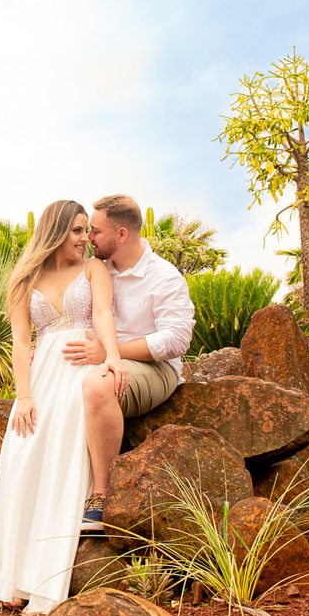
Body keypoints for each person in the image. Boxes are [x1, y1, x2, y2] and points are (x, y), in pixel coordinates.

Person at [0, 200, 128, 614]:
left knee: (63, 460)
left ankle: (41, 577)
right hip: (41, 377)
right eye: (77, 231)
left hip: (80, 372)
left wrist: (112, 356)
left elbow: (102, 314)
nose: (86, 239)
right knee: (25, 458)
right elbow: (22, 343)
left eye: (87, 231)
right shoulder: (23, 279)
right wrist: (23, 396)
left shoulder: (94, 269)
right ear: (56, 232)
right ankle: (15, 576)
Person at [62, 194, 195, 532]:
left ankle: (101, 496)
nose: (88, 238)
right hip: (102, 357)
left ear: (121, 235)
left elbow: (176, 340)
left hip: (155, 369)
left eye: (95, 231)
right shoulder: (95, 270)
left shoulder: (164, 277)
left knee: (97, 385)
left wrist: (111, 352)